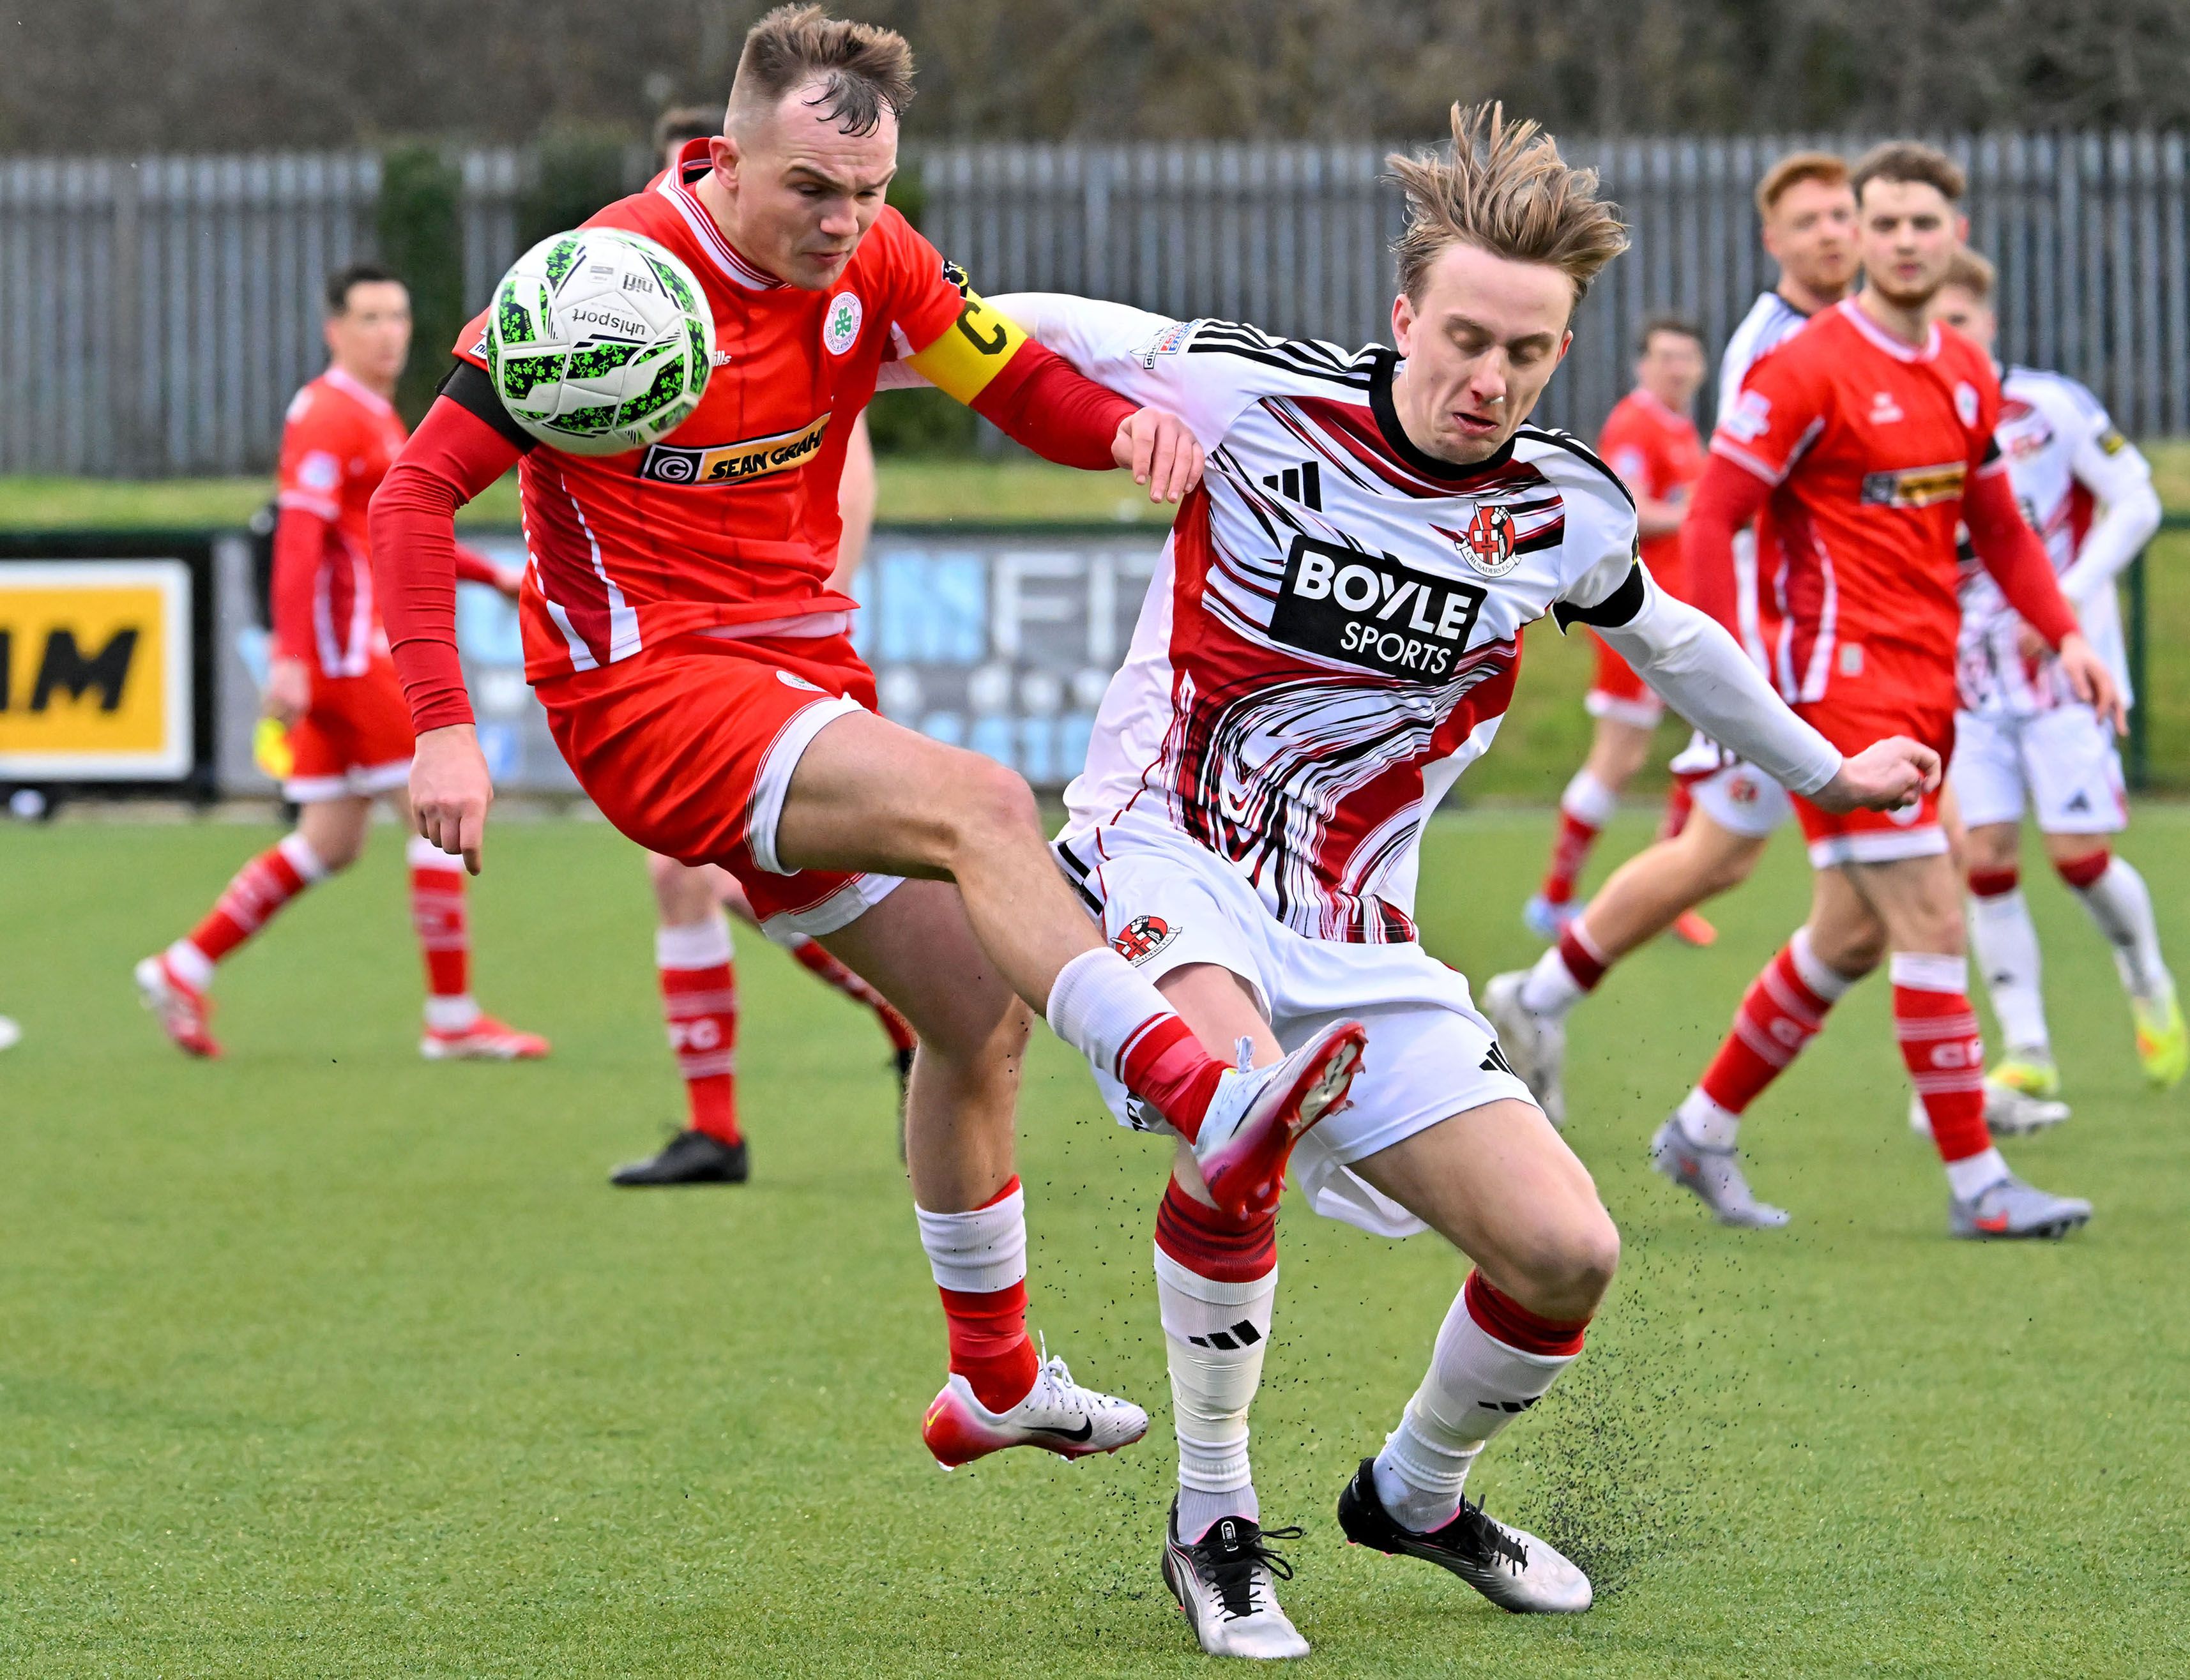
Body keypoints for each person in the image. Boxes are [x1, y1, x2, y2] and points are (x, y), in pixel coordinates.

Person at [951, 105, 1933, 1657]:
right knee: (1234, 1111)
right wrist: (835, 351)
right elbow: (1009, 325)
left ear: (1560, 353)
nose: (1488, 377)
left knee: (1565, 1252)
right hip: (1165, 855)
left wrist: (1824, 769)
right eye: (1464, 338)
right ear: (1402, 316)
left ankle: (1413, 1491)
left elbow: (1671, 640)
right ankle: (1211, 1519)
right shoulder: (1250, 394)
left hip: (1357, 929)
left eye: (1525, 354)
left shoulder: (1560, 507)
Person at [370, 5, 1365, 1469]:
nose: (843, 222)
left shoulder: (877, 257)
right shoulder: (601, 285)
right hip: (647, 694)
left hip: (800, 684)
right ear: (723, 159)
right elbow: (410, 494)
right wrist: (443, 729)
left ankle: (995, 1376)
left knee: (974, 1013)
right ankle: (1195, 1090)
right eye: (812, 190)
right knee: (982, 802)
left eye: (870, 190)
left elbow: (1006, 378)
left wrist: (1116, 431)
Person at [1645, 144, 2120, 1238]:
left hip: (1926, 683)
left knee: (1850, 935)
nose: (1904, 240)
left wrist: (2066, 636)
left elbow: (1998, 526)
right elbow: (1711, 516)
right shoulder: (1803, 367)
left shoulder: (1963, 368)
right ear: (1858, 234)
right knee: (1929, 911)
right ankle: (1979, 1184)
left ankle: (1700, 1129)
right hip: (1833, 689)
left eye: (1923, 222)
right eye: (1885, 222)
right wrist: (1720, 680)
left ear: (1955, 234)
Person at [1486, 151, 1859, 1124]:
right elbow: (1702, 515)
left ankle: (1542, 999)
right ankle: (1973, 1127)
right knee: (1850, 876)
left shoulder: (1848, 337)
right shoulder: (1769, 354)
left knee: (1728, 859)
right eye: (1810, 218)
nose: (1837, 234)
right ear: (1772, 239)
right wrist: (1736, 661)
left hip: (1835, 637)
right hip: (1775, 641)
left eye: (1845, 215)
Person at [135, 264, 547, 1064]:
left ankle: (183, 967)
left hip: (336, 659)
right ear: (334, 330)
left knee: (330, 839)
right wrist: (290, 656)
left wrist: (492, 577)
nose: (389, 334)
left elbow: (385, 536)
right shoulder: (331, 414)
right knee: (437, 813)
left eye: (398, 317)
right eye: (369, 319)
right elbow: (299, 537)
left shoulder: (373, 416)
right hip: (348, 658)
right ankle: (452, 1017)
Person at [616, 105, 915, 1189]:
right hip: (690, 645)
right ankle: (727, 1122)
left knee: (715, 875)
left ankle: (912, 1020)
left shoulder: (800, 315)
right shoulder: (650, 318)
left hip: (768, 645)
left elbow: (844, 478)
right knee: (688, 879)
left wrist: (801, 614)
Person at [1928, 250, 2182, 1096]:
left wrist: (2063, 603)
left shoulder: (2049, 406)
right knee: (1986, 856)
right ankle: (2028, 1048)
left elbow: (2137, 498)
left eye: (1958, 320)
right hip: (1964, 681)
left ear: (1989, 323)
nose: (1945, 336)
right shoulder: (1904, 418)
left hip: (2061, 678)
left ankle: (2147, 978)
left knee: (2078, 857)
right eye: (1931, 323)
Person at [1523, 315, 1714, 946]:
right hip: (1635, 613)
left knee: (1709, 740)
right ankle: (1554, 898)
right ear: (1642, 364)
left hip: (1680, 613)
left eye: (1687, 357)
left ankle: (1668, 892)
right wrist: (1700, 514)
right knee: (1619, 759)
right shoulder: (1637, 423)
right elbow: (1629, 508)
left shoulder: (1680, 427)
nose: (1678, 369)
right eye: (1666, 356)